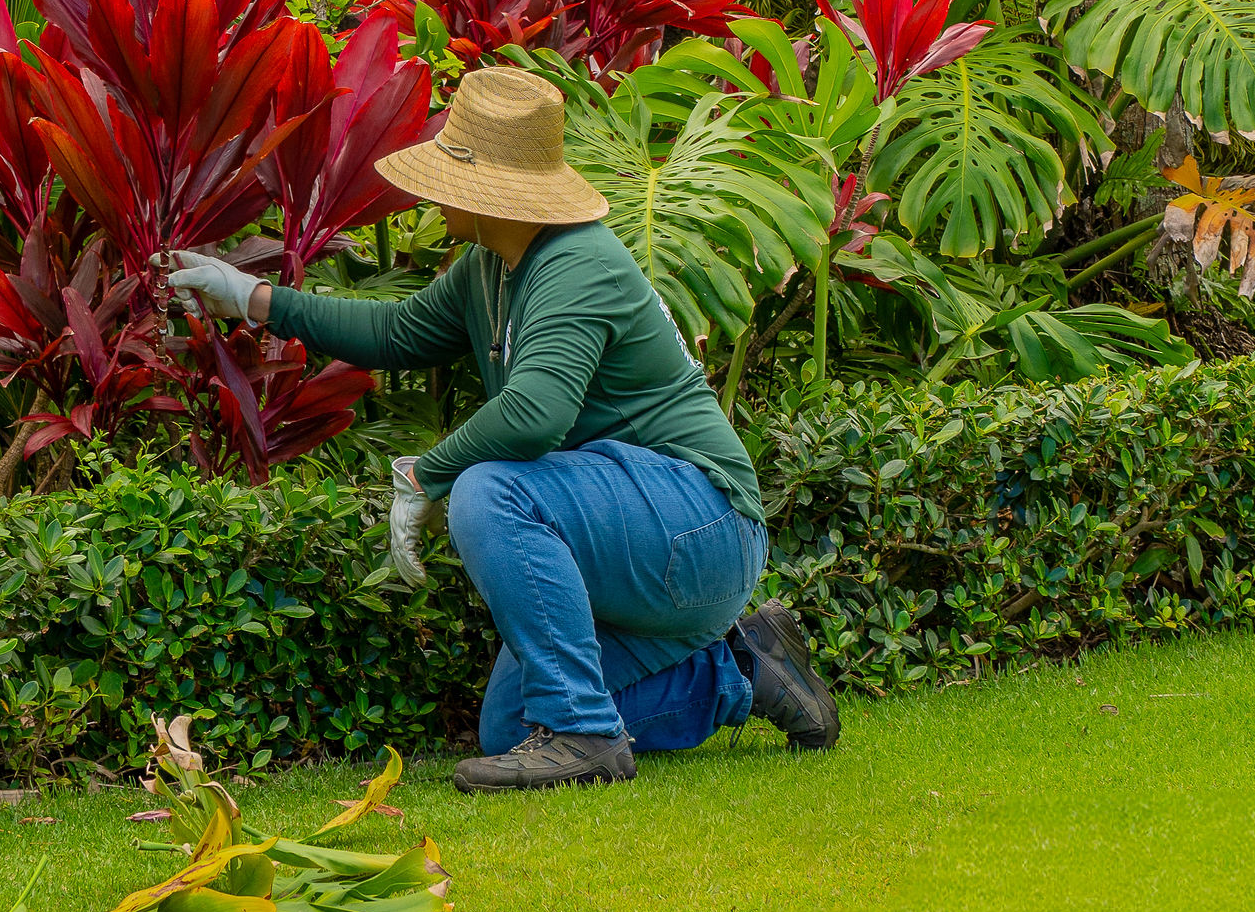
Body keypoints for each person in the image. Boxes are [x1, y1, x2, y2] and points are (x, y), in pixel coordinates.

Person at [164, 64, 840, 792]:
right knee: (514, 725)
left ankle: (586, 739)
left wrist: (424, 475)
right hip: (637, 537)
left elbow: (535, 414)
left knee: (491, 490)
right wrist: (253, 297)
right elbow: (398, 331)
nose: (427, 191)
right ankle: (744, 670)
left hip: (700, 522)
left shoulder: (577, 263)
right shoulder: (493, 264)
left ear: (488, 187)